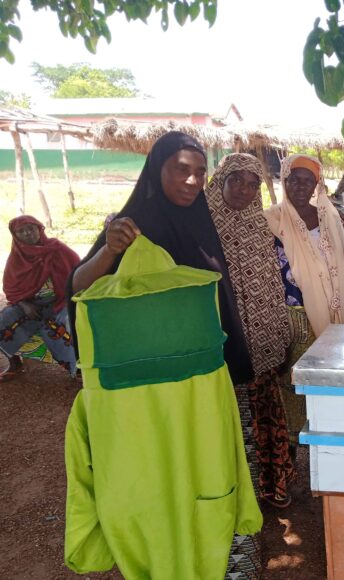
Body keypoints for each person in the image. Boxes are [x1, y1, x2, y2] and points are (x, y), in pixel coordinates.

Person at [68, 132, 267, 577]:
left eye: (200, 171)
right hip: (151, 390)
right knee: (167, 470)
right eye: (182, 169)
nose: (193, 180)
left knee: (215, 471)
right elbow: (79, 287)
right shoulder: (133, 222)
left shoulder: (200, 219)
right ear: (158, 169)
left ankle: (227, 565)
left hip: (205, 378)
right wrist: (109, 250)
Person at [204, 153, 295, 512]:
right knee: (229, 418)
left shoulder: (259, 225)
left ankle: (270, 487)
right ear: (221, 180)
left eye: (251, 183)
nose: (243, 189)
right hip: (222, 342)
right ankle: (232, 495)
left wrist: (278, 334)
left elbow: (270, 284)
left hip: (264, 343)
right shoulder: (203, 225)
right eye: (236, 180)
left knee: (263, 411)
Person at [265, 154, 344, 444]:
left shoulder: (329, 217)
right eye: (295, 180)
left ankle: (328, 451)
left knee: (328, 387)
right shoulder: (271, 220)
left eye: (309, 181)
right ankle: (291, 454)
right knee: (292, 388)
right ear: (285, 181)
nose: (301, 186)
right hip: (294, 316)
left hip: (335, 317)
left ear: (317, 184)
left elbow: (342, 265)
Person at [1, 215, 80, 381]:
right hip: (31, 305)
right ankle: (14, 363)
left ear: (39, 229)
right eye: (21, 231)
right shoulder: (17, 258)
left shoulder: (58, 249)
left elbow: (79, 273)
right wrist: (24, 305)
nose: (27, 233)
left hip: (61, 302)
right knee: (5, 319)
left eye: (31, 228)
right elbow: (10, 288)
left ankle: (78, 369)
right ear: (15, 236)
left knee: (69, 322)